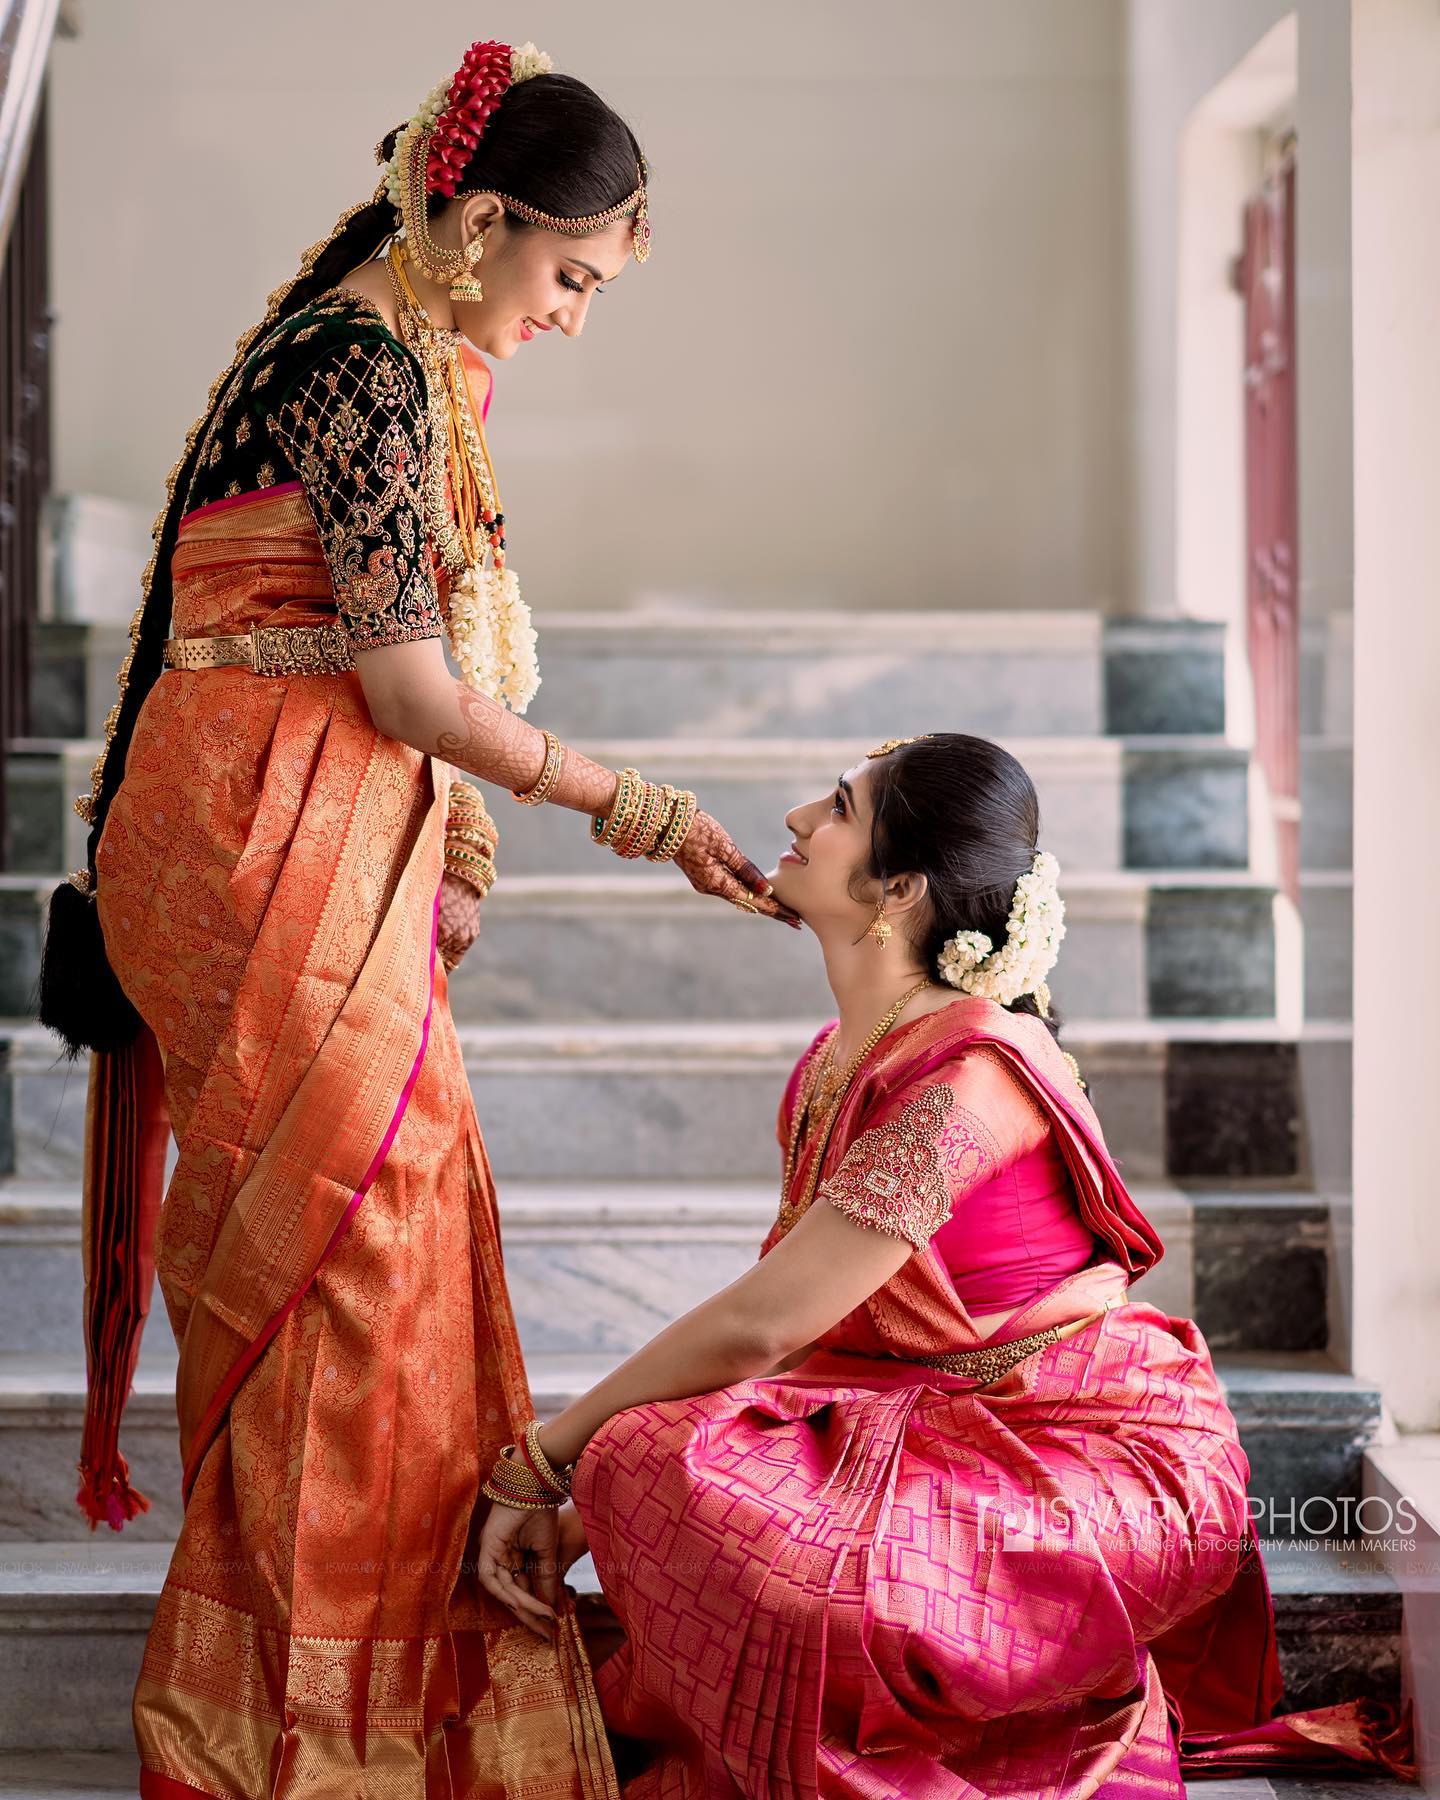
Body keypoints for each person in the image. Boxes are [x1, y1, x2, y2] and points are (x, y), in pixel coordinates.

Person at [35, 37, 793, 1800]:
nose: (577, 317)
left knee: (397, 1224)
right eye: (572, 277)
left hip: (299, 811)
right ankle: (291, 1726)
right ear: (483, 221)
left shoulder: (404, 364)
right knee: (351, 1253)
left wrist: (444, 857)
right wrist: (647, 807)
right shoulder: (360, 368)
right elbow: (410, 690)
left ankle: (384, 1690)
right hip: (251, 823)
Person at [477, 733, 1412, 1797]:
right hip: (925, 1418)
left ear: (901, 887)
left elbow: (760, 1329)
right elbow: (801, 1336)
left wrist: (545, 1456)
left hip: (1084, 1460)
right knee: (650, 1458)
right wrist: (584, 1500)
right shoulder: (836, 1059)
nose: (794, 822)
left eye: (834, 807)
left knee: (643, 1461)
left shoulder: (972, 1079)